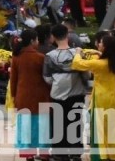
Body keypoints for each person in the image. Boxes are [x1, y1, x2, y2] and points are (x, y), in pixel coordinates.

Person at [70, 32, 115, 161]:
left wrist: (78, 52)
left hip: (101, 99)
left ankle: (102, 155)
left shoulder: (99, 64)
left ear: (105, 48)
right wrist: (100, 55)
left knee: (100, 129)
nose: (98, 44)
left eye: (101, 43)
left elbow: (77, 64)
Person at [44, 23, 90, 161]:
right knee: (75, 122)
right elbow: (86, 75)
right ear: (67, 35)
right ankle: (75, 152)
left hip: (57, 94)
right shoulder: (78, 53)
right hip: (77, 93)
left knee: (58, 123)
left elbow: (47, 78)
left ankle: (59, 153)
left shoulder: (50, 56)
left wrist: (58, 83)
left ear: (53, 37)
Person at [8, 29, 52, 159]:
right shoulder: (41, 58)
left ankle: (29, 155)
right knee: (42, 128)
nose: (38, 42)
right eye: (37, 39)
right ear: (32, 41)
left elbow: (13, 80)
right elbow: (47, 79)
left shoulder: (16, 57)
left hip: (23, 97)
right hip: (41, 97)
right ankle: (44, 155)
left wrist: (14, 97)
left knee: (26, 128)